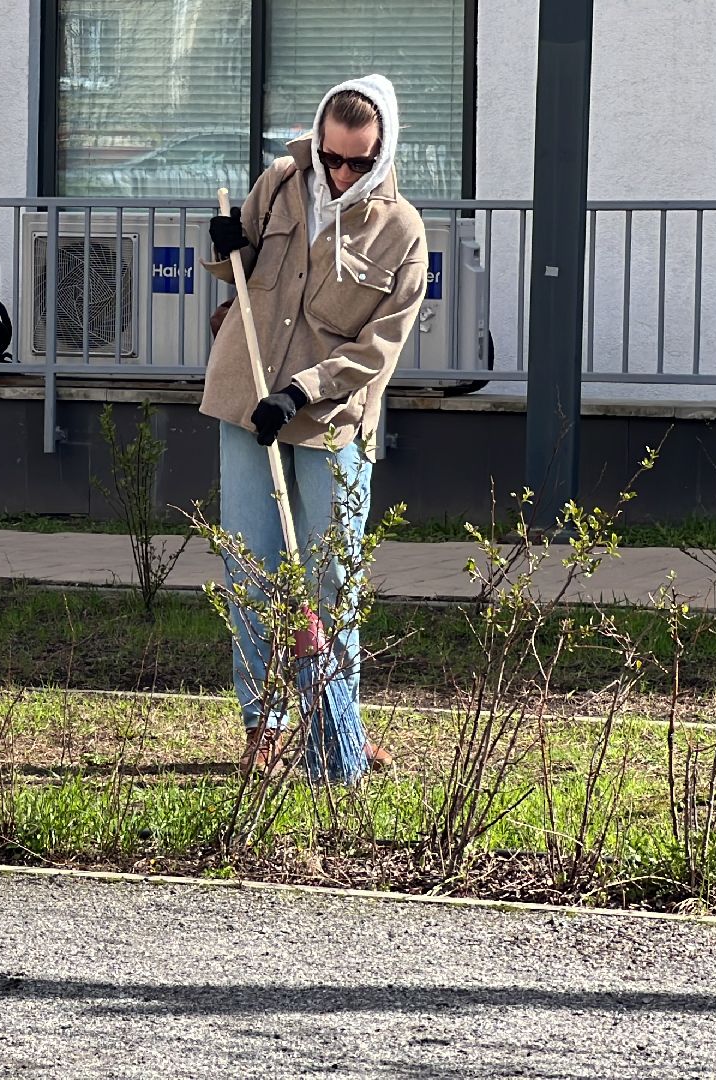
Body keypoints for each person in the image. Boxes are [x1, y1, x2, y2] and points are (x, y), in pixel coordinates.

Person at [199, 74, 428, 774]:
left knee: (333, 575)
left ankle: (338, 727)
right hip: (247, 400)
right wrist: (224, 245)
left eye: (358, 161)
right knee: (253, 569)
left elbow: (380, 347)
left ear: (383, 150)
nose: (341, 172)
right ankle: (262, 725)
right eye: (332, 157)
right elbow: (239, 274)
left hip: (328, 419)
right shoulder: (282, 181)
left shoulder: (403, 233)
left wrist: (301, 392)